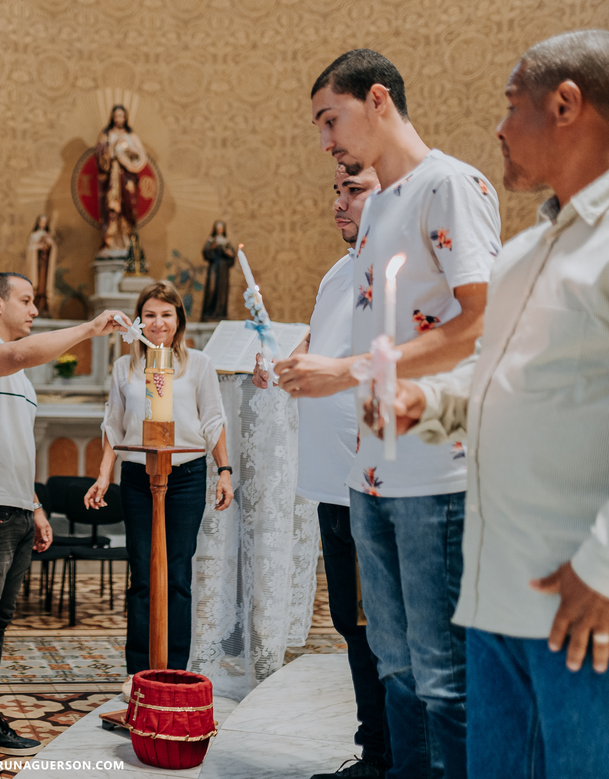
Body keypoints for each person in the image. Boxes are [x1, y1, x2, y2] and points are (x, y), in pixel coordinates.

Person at [381, 31, 609, 778]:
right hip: (497, 601)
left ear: (567, 104)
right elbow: (508, 378)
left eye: (511, 106)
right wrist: (427, 400)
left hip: (599, 603)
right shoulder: (530, 250)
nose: (498, 129)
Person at [295, 50, 502, 779]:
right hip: (370, 470)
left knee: (444, 674)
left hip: (436, 469)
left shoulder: (450, 184)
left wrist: (345, 370)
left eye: (331, 119)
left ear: (376, 99)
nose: (326, 141)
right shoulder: (378, 204)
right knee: (394, 666)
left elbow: (483, 319)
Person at [0, 273, 128, 774]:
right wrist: (88, 330)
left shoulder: (19, 378)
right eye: (27, 300)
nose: (35, 309)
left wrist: (35, 507)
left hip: (15, 509)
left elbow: (14, 447)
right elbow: (18, 355)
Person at [257, 165, 390, 778]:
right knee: (350, 623)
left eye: (353, 191)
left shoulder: (396, 268)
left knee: (382, 630)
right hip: (335, 482)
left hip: (376, 480)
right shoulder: (338, 273)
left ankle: (396, 758)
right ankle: (375, 748)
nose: (339, 203)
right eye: (336, 191)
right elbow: (325, 357)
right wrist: (285, 369)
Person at [86, 280, 233, 675]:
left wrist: (224, 471)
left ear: (178, 319)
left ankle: (174, 670)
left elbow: (213, 420)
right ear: (139, 320)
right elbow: (113, 426)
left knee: (178, 574)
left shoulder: (198, 365)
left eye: (166, 314)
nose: (158, 322)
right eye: (150, 314)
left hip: (184, 475)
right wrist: (104, 475)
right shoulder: (125, 367)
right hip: (138, 474)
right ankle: (139, 673)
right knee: (143, 573)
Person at [96, 104, 148, 252]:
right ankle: (110, 242)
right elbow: (100, 155)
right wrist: (109, 149)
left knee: (128, 207)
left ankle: (127, 241)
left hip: (127, 177)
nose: (119, 119)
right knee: (112, 206)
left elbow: (141, 157)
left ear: (125, 118)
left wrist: (130, 151)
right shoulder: (107, 135)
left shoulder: (131, 136)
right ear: (112, 118)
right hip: (113, 175)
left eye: (122, 116)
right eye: (116, 116)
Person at [200, 220, 236, 322]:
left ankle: (220, 312)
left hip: (223, 270)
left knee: (222, 292)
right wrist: (212, 247)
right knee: (212, 289)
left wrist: (229, 253)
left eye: (221, 228)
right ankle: (209, 312)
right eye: (218, 228)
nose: (219, 230)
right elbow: (205, 252)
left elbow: (232, 255)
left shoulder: (226, 241)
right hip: (214, 268)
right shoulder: (211, 240)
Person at [25, 215, 57, 318]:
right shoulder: (34, 236)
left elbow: (53, 249)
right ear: (38, 222)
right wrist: (38, 247)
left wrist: (49, 245)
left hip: (45, 265)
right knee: (37, 286)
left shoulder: (48, 235)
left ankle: (44, 306)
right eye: (41, 221)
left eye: (45, 222)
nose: (43, 223)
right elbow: (30, 250)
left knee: (44, 287)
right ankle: (36, 305)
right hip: (37, 266)